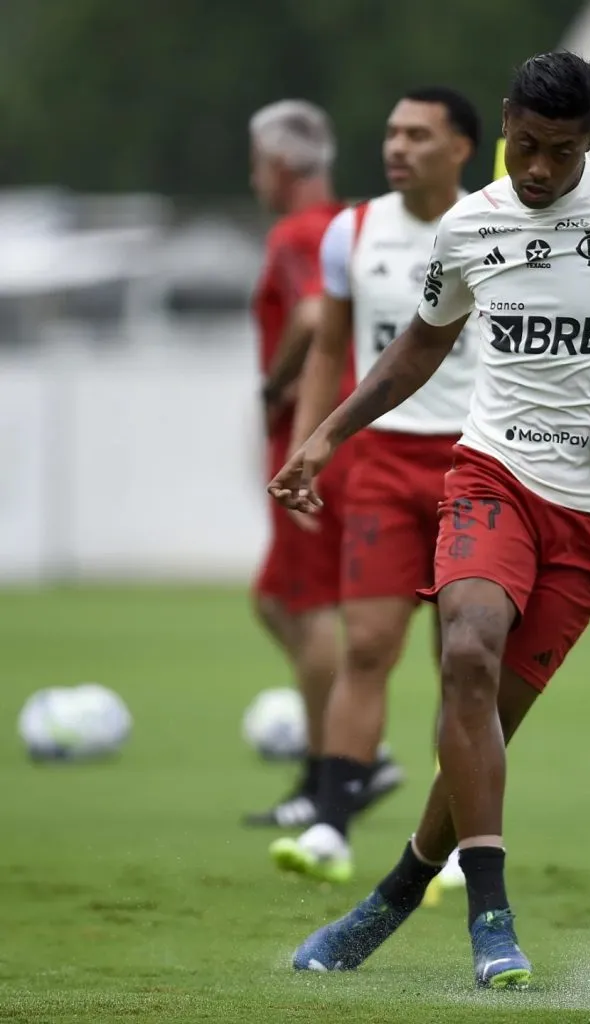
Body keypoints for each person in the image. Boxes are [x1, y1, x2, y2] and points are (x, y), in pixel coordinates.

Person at [268, 51, 590, 989]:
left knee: (489, 719)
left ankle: (394, 892)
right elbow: (418, 346)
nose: (536, 170)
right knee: (465, 653)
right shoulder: (468, 227)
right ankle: (491, 919)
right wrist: (327, 436)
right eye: (524, 146)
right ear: (504, 124)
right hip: (490, 473)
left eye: (559, 152)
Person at [268, 87, 481, 887]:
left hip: (476, 463)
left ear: (460, 147)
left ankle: (456, 839)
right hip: (384, 465)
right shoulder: (351, 232)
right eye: (391, 131)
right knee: (366, 646)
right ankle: (330, 822)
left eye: (418, 135)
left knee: (464, 660)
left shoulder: (494, 227)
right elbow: (328, 348)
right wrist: (307, 446)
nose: (397, 147)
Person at [246, 99, 400, 829]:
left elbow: (310, 316)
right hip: (353, 431)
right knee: (277, 599)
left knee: (307, 611)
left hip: (314, 436)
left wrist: (273, 387)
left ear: (278, 166)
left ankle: (332, 771)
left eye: (256, 165)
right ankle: (360, 750)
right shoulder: (357, 225)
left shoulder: (299, 233)